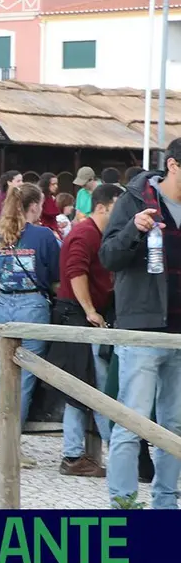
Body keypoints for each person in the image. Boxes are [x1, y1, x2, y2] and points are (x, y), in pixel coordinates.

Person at [99, 138, 181, 509]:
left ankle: (165, 511)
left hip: (179, 335)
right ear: (174, 165)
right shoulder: (135, 200)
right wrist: (134, 229)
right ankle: (123, 508)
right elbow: (108, 257)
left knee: (174, 429)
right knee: (130, 425)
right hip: (142, 329)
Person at [0, 183, 60, 468]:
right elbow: (55, 276)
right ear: (34, 206)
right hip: (33, 306)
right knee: (23, 379)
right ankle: (10, 445)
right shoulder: (44, 236)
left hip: (3, 307)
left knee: (4, 375)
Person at [51, 183, 118, 477]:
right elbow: (75, 271)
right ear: (102, 207)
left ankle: (75, 454)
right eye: (118, 207)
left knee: (82, 387)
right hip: (76, 315)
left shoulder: (95, 233)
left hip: (82, 313)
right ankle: (115, 453)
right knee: (94, 387)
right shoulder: (86, 233)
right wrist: (90, 310)